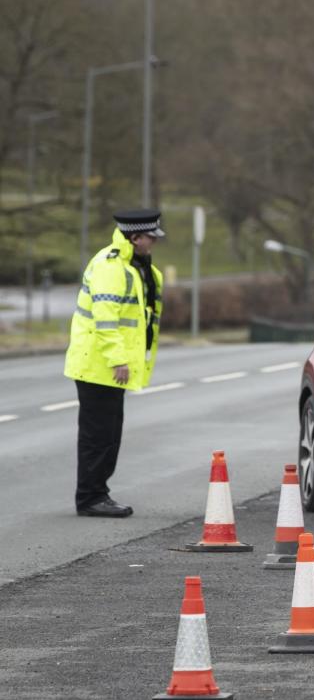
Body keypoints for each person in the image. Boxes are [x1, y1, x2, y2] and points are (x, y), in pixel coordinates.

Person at [64, 209, 165, 517]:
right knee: (99, 436)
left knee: (108, 433)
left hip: (106, 365)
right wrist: (118, 359)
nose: (154, 243)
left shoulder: (136, 267)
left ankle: (97, 493)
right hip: (99, 365)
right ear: (135, 238)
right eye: (150, 238)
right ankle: (91, 497)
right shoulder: (111, 266)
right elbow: (105, 317)